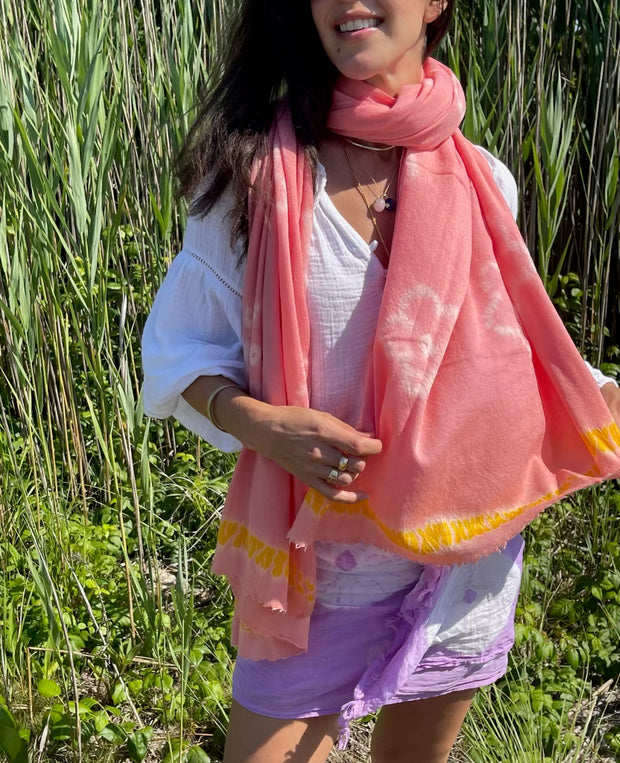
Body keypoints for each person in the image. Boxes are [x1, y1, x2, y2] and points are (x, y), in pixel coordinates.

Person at [142, 1, 620, 761]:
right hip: (319, 573)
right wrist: (262, 425)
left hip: (462, 563)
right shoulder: (256, 174)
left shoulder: (483, 177)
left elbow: (520, 345)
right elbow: (180, 354)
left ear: (434, 2)